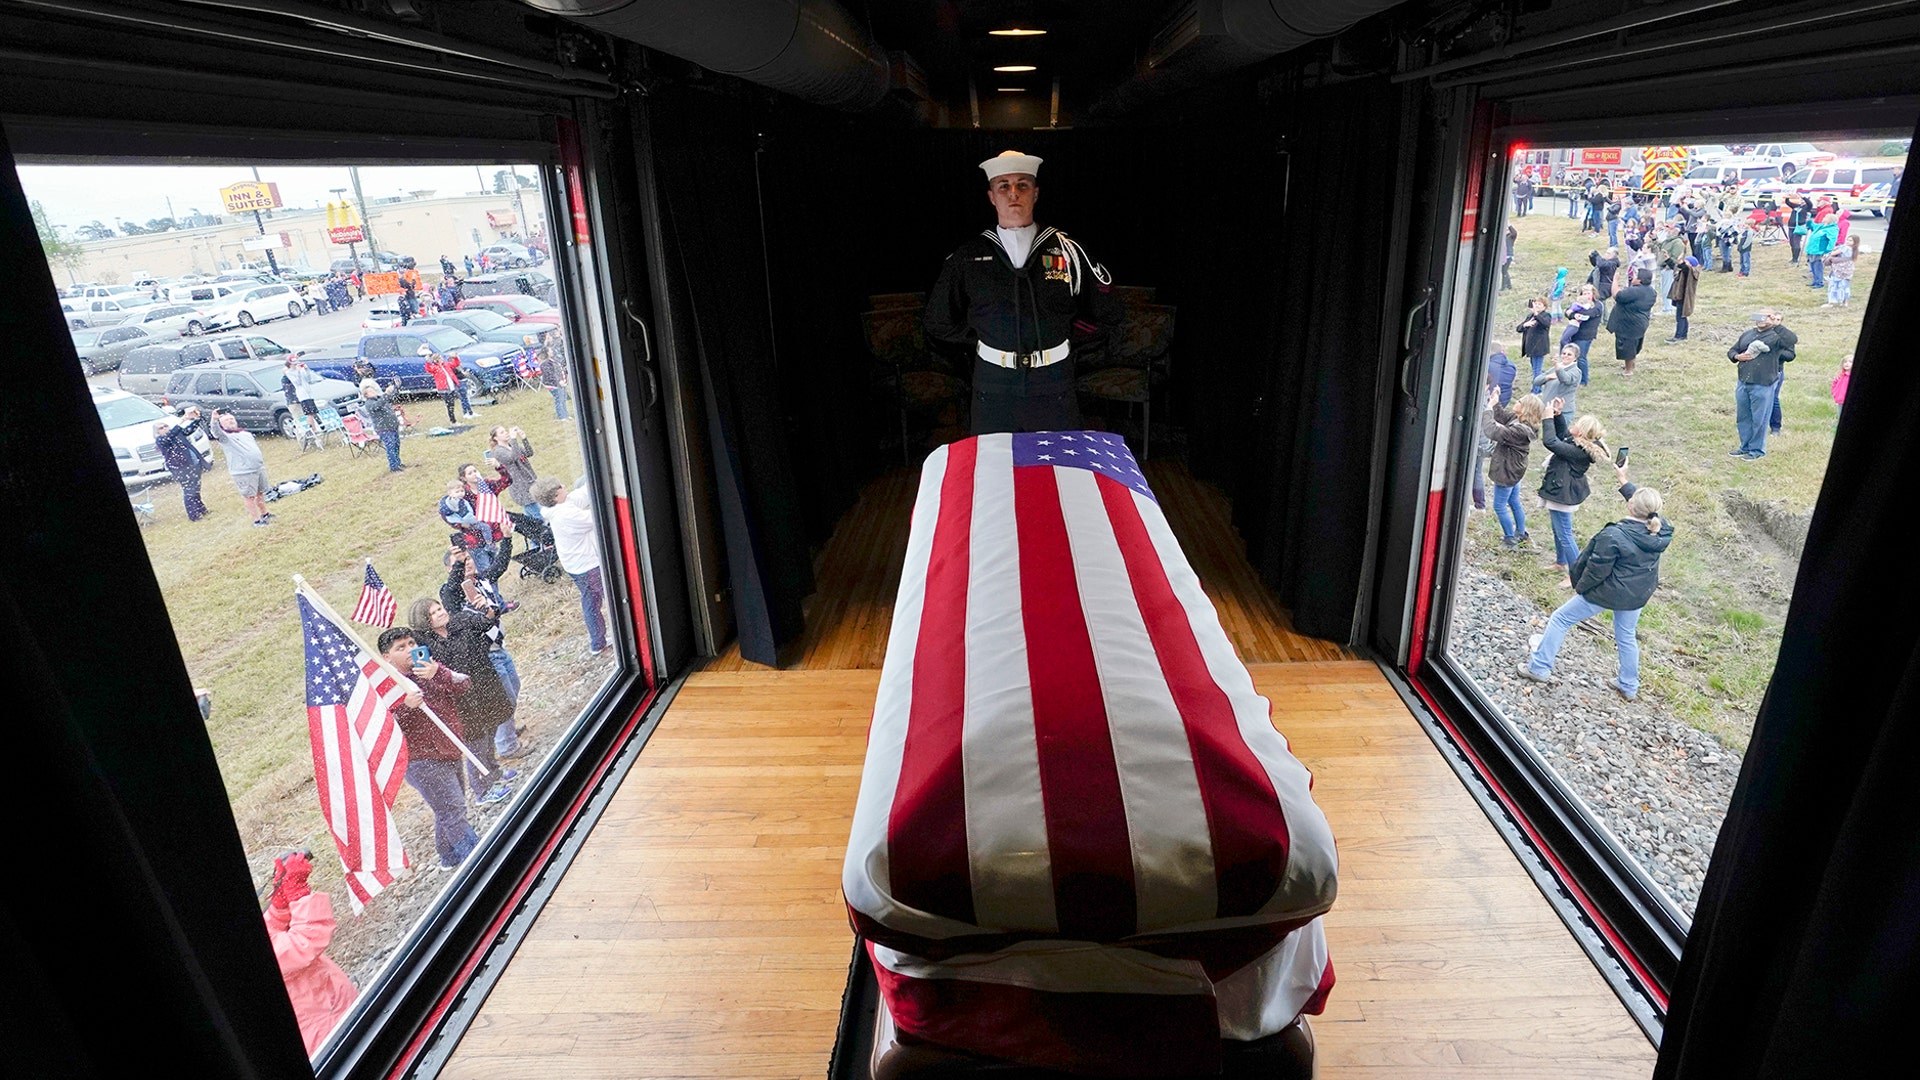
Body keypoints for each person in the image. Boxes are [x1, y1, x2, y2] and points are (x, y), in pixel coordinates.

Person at [923, 150, 1120, 435]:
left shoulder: (1069, 251)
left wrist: (1063, 333)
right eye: (1003, 185)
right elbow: (937, 320)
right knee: (995, 472)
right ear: (992, 196)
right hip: (994, 384)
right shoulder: (967, 257)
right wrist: (985, 335)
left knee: (1057, 468)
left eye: (1022, 185)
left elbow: (1109, 312)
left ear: (1035, 193)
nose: (1013, 192)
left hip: (1053, 382)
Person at [1518, 470, 1672, 701]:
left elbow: (1596, 570)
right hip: (1638, 593)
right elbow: (1644, 506)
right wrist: (1624, 480)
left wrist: (1579, 587)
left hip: (1607, 592)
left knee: (1561, 618)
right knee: (1626, 635)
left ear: (1630, 507)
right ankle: (1629, 685)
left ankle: (1539, 668)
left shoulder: (1614, 535)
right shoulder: (1661, 530)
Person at [376, 626, 493, 864]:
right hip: (420, 758)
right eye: (401, 648)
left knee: (449, 806)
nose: (410, 649)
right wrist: (404, 707)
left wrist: (437, 673)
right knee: (453, 809)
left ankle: (448, 857)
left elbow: (464, 684)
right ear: (387, 657)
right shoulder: (386, 687)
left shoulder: (429, 667)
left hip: (448, 745)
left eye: (411, 643)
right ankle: (478, 860)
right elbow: (382, 727)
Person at [406, 598, 517, 802]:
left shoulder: (459, 623)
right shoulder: (422, 643)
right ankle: (481, 790)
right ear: (423, 619)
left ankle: (493, 771)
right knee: (475, 743)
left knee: (490, 731)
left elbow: (486, 623)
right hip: (459, 699)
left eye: (440, 607)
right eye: (433, 612)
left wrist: (487, 610)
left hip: (485, 685)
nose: (441, 612)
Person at [260, 851, 357, 1054]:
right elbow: (306, 941)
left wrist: (280, 905)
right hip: (321, 1034)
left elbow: (270, 933)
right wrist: (298, 894)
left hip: (331, 1008)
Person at [438, 550, 529, 759]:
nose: (467, 564)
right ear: (449, 569)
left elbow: (499, 567)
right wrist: (459, 565)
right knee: (504, 697)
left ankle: (505, 731)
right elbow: (451, 594)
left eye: (468, 559)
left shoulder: (481, 582)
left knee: (513, 690)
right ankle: (507, 745)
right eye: (459, 563)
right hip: (484, 651)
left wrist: (506, 540)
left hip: (498, 644)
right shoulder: (451, 593)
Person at [1538, 404, 1609, 588]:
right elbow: (1563, 435)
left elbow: (1551, 442)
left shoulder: (1578, 451)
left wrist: (1547, 419)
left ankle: (1576, 575)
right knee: (1558, 530)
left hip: (1563, 493)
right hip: (1563, 490)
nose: (1574, 424)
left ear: (1582, 432)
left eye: (1578, 423)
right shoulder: (1577, 443)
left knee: (1565, 534)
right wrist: (1558, 415)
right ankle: (1561, 563)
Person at [535, 477, 607, 655]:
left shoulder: (561, 507)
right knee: (604, 599)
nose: (564, 485)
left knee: (590, 601)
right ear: (555, 496)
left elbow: (582, 494)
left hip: (576, 565)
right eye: (561, 486)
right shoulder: (566, 515)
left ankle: (598, 642)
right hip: (586, 565)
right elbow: (597, 518)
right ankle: (599, 641)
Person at [1728, 309, 1797, 460]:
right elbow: (1732, 350)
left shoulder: (1776, 336)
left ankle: (1756, 451)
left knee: (1760, 419)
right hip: (1743, 382)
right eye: (1759, 316)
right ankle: (1744, 447)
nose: (1761, 319)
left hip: (1763, 383)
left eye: (1766, 317)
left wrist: (1775, 324)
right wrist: (1737, 356)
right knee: (1743, 417)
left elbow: (1792, 340)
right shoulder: (1748, 334)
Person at [1483, 392, 1545, 550]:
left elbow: (1492, 431)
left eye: (1519, 401)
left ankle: (1510, 539)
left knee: (1499, 506)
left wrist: (1488, 409)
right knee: (1514, 501)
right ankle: (1521, 533)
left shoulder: (1519, 431)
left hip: (1507, 471)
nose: (1515, 402)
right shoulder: (1521, 422)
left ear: (1526, 409)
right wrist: (1495, 403)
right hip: (1515, 470)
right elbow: (1503, 417)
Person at [207, 409, 271, 526]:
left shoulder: (245, 433)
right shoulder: (225, 437)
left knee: (260, 493)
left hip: (257, 468)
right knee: (249, 496)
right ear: (222, 424)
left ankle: (265, 514)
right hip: (243, 472)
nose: (230, 421)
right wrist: (214, 419)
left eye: (231, 419)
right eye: (226, 420)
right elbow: (215, 431)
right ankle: (256, 521)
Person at [1473, 347, 1518, 510]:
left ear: (1486, 386)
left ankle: (1480, 504)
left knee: (1475, 472)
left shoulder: (1484, 402)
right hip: (1483, 441)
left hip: (1479, 442)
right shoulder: (1487, 398)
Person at [154, 409, 210, 521]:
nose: (165, 428)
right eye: (161, 428)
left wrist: (196, 418)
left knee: (196, 488)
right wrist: (182, 420)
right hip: (181, 468)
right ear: (157, 432)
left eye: (166, 426)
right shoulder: (161, 440)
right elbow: (169, 436)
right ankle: (193, 515)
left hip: (193, 464)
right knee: (189, 490)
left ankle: (201, 509)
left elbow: (189, 430)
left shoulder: (177, 434)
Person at [1606, 268, 1657, 376]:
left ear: (1639, 280)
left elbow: (1617, 295)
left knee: (1627, 346)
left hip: (1629, 324)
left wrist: (1615, 280)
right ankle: (1630, 366)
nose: (1633, 277)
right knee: (1633, 345)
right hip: (1641, 322)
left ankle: (1628, 371)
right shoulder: (1651, 291)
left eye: (1635, 276)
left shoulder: (1635, 291)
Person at [356, 378, 405, 471]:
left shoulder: (379, 398)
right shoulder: (369, 403)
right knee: (390, 447)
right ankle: (394, 467)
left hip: (392, 426)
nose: (373, 392)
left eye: (373, 390)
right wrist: (386, 393)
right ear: (366, 395)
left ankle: (398, 463)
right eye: (370, 391)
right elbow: (379, 404)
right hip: (384, 429)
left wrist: (394, 388)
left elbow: (388, 398)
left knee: (396, 445)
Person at [485, 425, 538, 511]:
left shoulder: (511, 445)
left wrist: (524, 438)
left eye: (505, 431)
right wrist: (513, 439)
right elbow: (514, 457)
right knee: (537, 514)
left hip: (530, 481)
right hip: (520, 487)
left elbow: (529, 453)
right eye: (502, 432)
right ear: (496, 438)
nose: (506, 433)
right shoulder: (498, 451)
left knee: (534, 514)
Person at [1560, 282, 1601, 385]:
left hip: (1586, 334)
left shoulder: (1597, 305)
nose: (1587, 296)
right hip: (1575, 332)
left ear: (1593, 294)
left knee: (1581, 357)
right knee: (1572, 355)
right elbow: (1568, 312)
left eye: (1588, 293)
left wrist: (1573, 314)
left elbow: (1589, 314)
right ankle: (1572, 377)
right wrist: (1572, 314)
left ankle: (1583, 381)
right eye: (1584, 293)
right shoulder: (1579, 303)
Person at [422, 347, 471, 423]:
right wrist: (427, 362)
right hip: (443, 389)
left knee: (452, 404)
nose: (442, 359)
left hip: (451, 387)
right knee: (450, 405)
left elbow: (456, 364)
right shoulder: (435, 368)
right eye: (440, 358)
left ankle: (454, 420)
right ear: (436, 360)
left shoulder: (446, 365)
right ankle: (453, 421)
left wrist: (455, 357)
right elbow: (428, 369)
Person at [1534, 344, 1582, 419]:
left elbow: (1565, 379)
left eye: (1569, 354)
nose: (1565, 356)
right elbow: (1536, 381)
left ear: (1575, 358)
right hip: (1548, 410)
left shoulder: (1576, 371)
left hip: (1563, 412)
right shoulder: (1554, 369)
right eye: (1564, 353)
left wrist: (1557, 366)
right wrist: (1548, 377)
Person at [1665, 255, 1701, 343]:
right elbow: (1675, 267)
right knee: (1682, 316)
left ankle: (1678, 336)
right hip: (1680, 297)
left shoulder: (1691, 271)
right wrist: (1668, 259)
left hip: (1684, 298)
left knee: (1680, 317)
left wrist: (1682, 263)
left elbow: (1685, 268)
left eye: (1686, 261)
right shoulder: (1684, 270)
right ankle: (1684, 335)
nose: (1684, 262)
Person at [1515, 297, 1552, 380]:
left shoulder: (1546, 316)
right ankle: (1537, 387)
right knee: (1534, 369)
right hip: (1530, 347)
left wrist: (1536, 314)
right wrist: (1525, 325)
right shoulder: (1530, 316)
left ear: (1544, 307)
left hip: (1540, 347)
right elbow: (1518, 329)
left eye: (1539, 304)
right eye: (1536, 304)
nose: (1537, 306)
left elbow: (1545, 324)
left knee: (1537, 370)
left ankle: (1536, 390)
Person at [1824, 233, 1858, 307]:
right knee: (1845, 285)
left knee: (1834, 285)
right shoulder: (1854, 251)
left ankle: (1831, 302)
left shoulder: (1844, 248)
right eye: (1847, 239)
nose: (1848, 241)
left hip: (1838, 270)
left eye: (1850, 240)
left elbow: (1833, 253)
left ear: (1855, 242)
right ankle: (1844, 302)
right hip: (1847, 271)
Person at [541, 333, 570, 420]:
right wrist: (559, 381)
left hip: (561, 383)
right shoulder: (545, 364)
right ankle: (561, 416)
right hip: (554, 385)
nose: (552, 352)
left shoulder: (555, 360)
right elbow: (551, 375)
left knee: (563, 399)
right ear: (547, 353)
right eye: (550, 351)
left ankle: (566, 414)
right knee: (559, 400)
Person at [1783, 192, 1812, 264]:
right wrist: (1787, 197)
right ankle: (1793, 257)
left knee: (1796, 243)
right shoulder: (1796, 206)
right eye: (1800, 199)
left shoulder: (1806, 208)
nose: (1801, 201)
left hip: (1799, 227)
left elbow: (1810, 204)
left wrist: (1803, 197)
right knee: (1791, 242)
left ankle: (1795, 259)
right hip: (1791, 226)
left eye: (1803, 200)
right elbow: (1788, 203)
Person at [1832, 353, 1853, 421]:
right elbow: (1834, 385)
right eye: (1845, 362)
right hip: (1840, 400)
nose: (1847, 363)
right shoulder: (1840, 375)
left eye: (1850, 362)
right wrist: (1835, 393)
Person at [1501, 223, 1516, 291]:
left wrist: (1509, 225)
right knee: (1504, 271)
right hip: (1504, 256)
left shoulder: (1511, 237)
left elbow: (1514, 232)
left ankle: (1503, 287)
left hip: (1508, 255)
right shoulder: (1503, 237)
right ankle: (1509, 285)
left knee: (1504, 271)